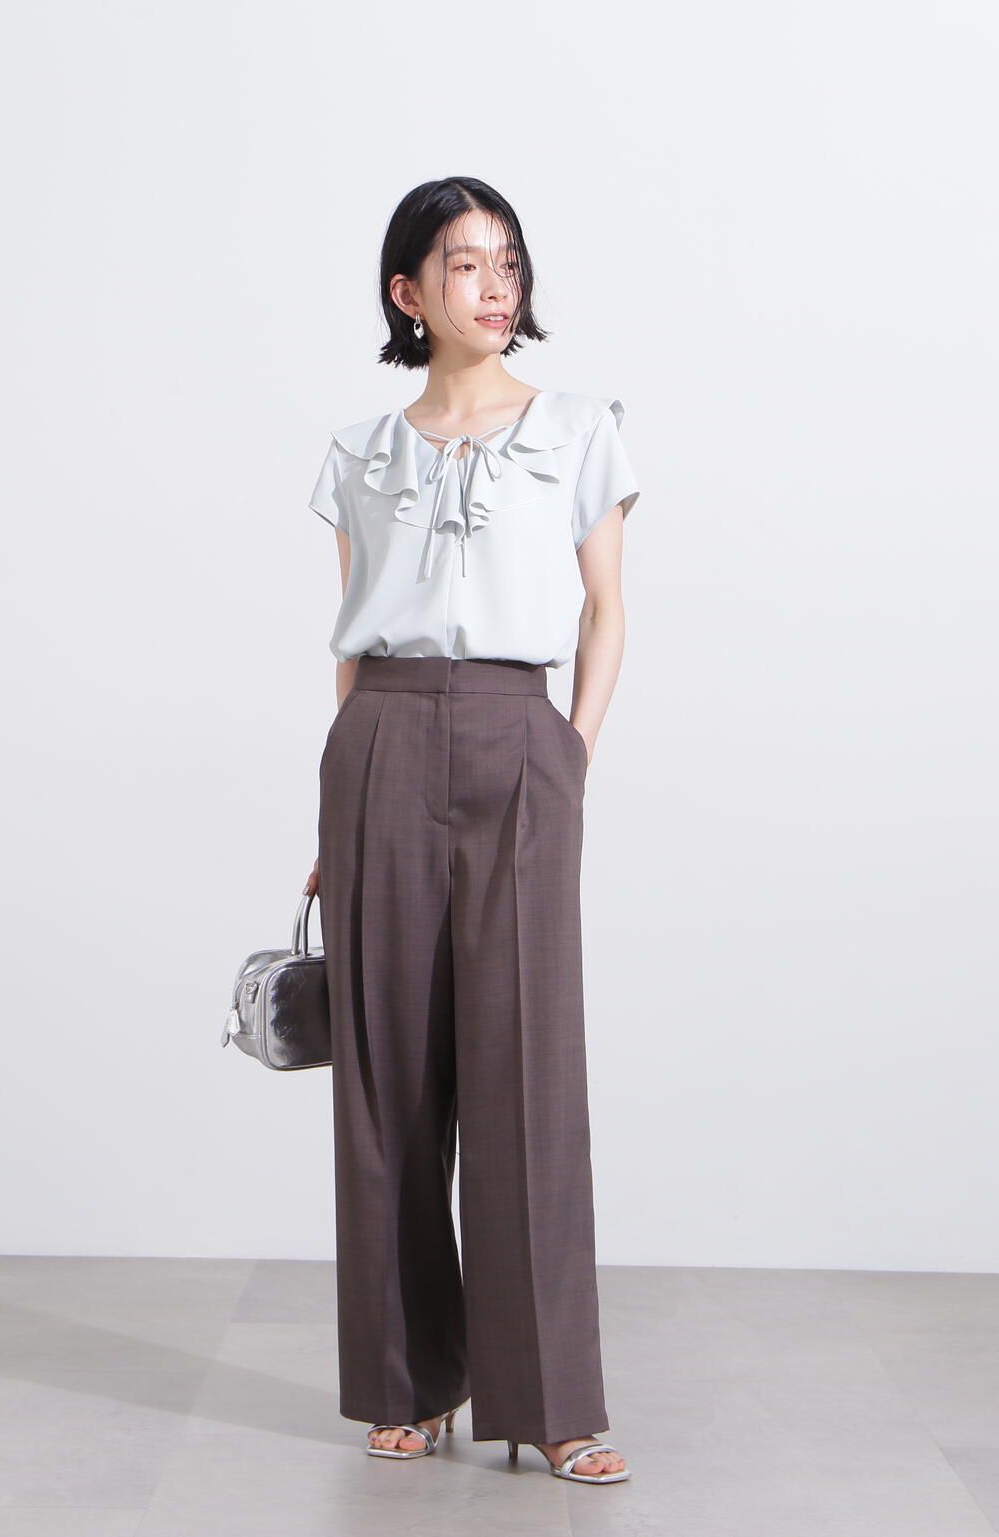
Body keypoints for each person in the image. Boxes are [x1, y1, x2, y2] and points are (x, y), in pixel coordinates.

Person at [302, 176, 639, 1486]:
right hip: (380, 740)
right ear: (407, 292)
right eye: (463, 263)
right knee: (387, 1076)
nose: (496, 286)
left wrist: (570, 755)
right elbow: (350, 638)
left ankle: (551, 1401)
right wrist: (334, 810)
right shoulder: (359, 455)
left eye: (508, 261)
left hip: (519, 735)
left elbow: (606, 610)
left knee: (527, 1071)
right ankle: (408, 1383)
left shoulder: (578, 431)